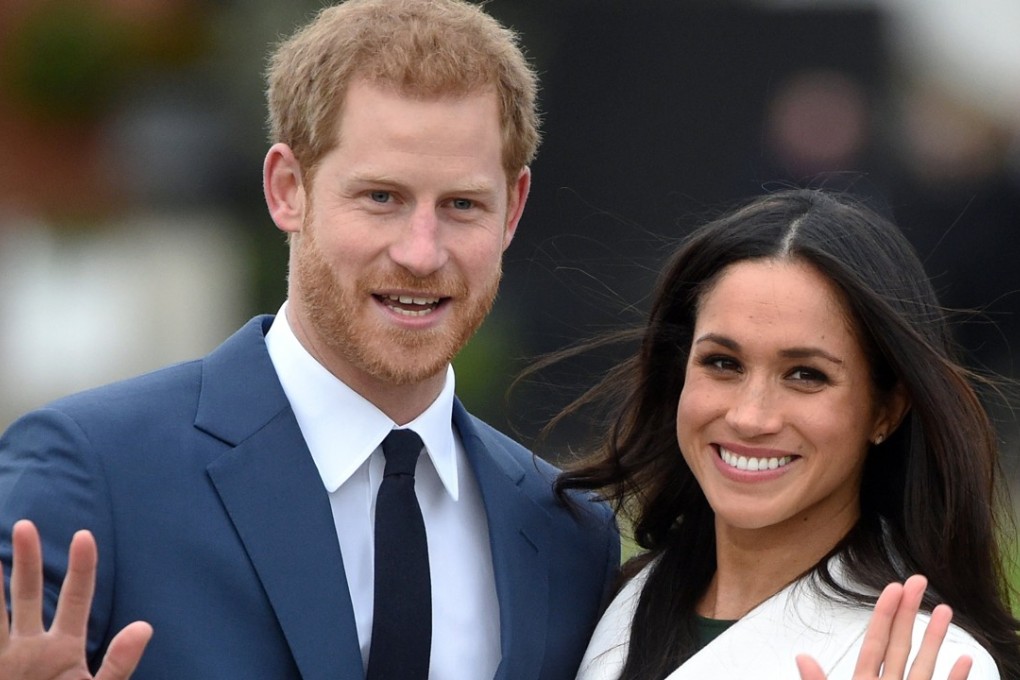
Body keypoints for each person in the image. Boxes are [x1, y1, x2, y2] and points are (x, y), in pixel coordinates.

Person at [0, 0, 620, 677]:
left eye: (461, 205)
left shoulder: (568, 535)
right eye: (381, 197)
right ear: (287, 189)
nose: (421, 251)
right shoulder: (94, 474)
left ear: (514, 209)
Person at [547, 189, 1020, 679]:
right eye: (722, 364)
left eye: (805, 375)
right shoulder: (602, 606)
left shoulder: (925, 659)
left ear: (886, 410)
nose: (751, 417)